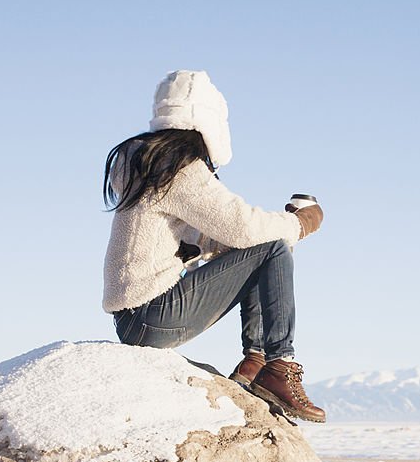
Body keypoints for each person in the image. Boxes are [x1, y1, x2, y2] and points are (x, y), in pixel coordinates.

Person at [101, 70, 326, 423]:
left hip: (133, 319)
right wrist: (300, 224)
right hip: (152, 314)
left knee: (261, 248)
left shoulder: (146, 162)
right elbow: (243, 227)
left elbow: (200, 237)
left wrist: (218, 249)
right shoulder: (176, 168)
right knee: (272, 246)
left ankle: (256, 363)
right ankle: (278, 363)